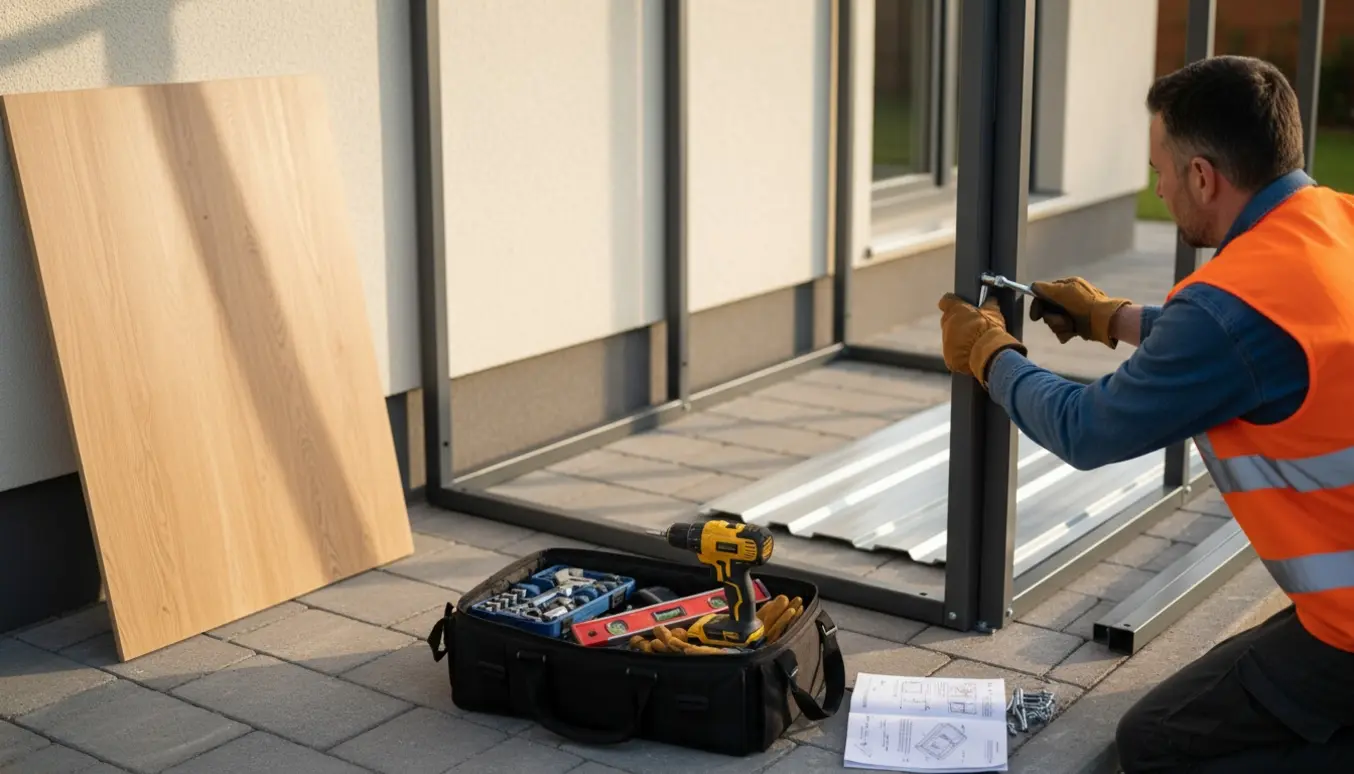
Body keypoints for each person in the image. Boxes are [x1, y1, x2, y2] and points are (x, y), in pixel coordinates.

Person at [936, 55, 1354, 772]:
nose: (1156, 189)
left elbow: (1087, 428)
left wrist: (992, 356)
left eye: (1159, 169)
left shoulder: (1231, 301)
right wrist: (1116, 319)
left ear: (1202, 175)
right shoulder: (1333, 221)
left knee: (1155, 743)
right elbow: (1260, 346)